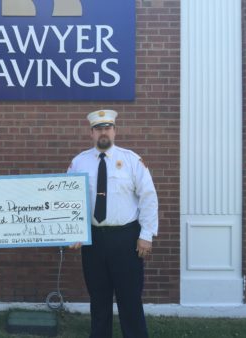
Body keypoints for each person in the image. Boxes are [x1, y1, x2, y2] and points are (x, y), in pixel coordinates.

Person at [68, 110, 158, 338]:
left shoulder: (131, 160)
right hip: (93, 240)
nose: (103, 132)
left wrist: (146, 234)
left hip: (126, 239)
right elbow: (69, 201)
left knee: (130, 300)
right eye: (98, 129)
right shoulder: (79, 162)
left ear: (115, 131)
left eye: (107, 128)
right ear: (91, 133)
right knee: (98, 300)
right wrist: (73, 230)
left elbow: (148, 196)